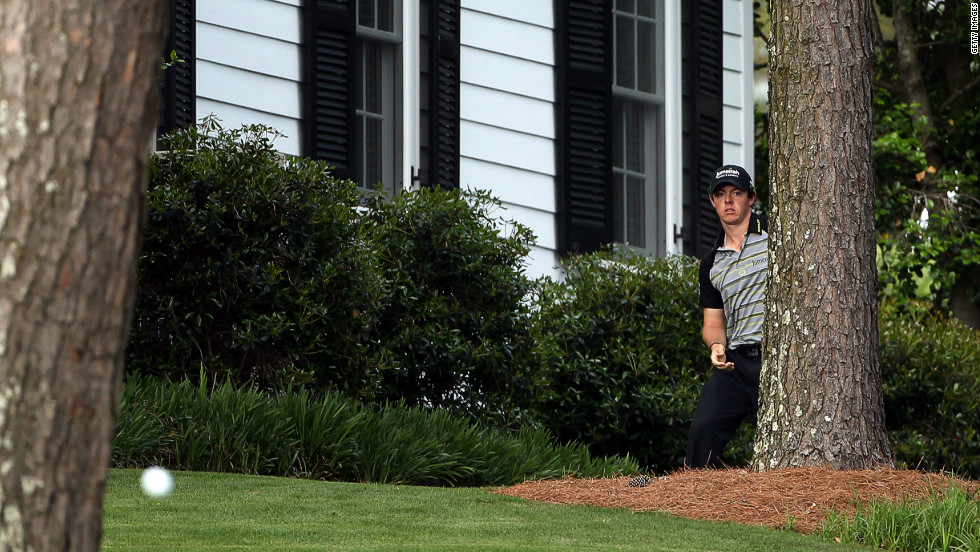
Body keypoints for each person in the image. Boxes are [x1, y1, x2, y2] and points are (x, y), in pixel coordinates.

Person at [686, 164, 768, 469]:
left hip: (781, 359)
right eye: (721, 194)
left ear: (751, 198)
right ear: (712, 201)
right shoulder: (710, 263)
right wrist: (716, 347)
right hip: (737, 362)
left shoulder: (777, 236)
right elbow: (713, 324)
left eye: (736, 193)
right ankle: (699, 506)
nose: (728, 200)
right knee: (703, 429)